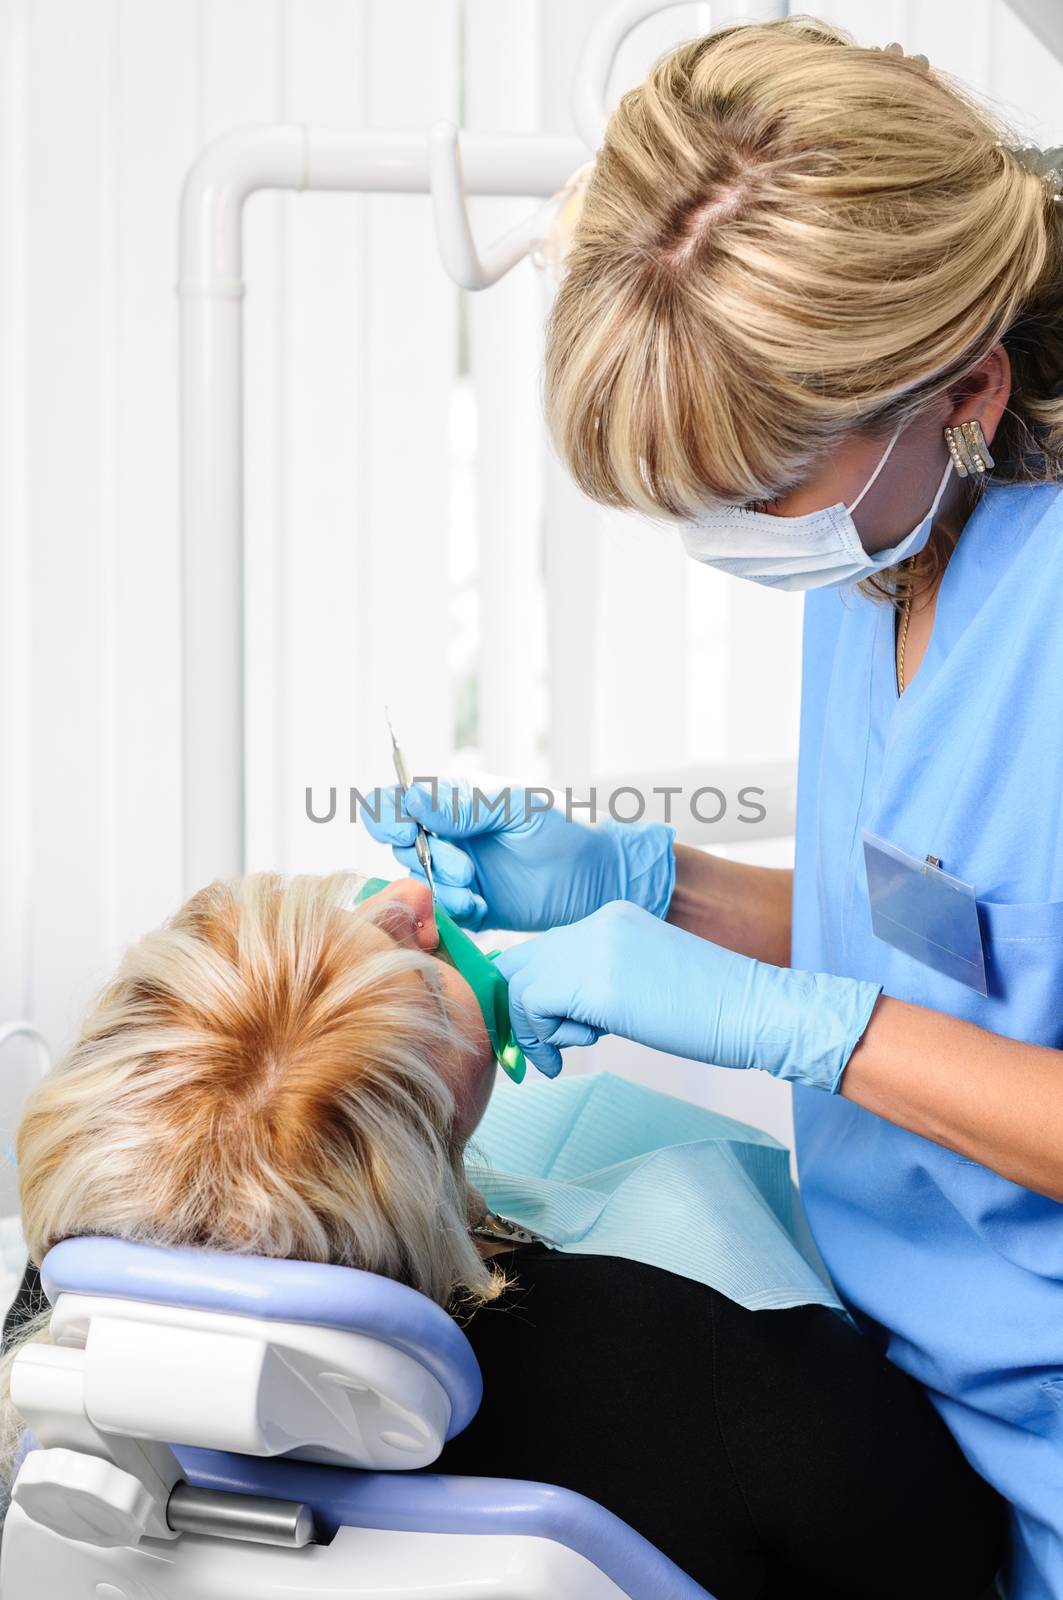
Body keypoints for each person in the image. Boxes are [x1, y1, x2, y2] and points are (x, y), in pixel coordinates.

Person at [363, 17, 1063, 1600]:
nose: (727, 537)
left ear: (960, 389)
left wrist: (789, 1027)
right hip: (904, 1378)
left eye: (751, 493)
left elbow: (875, 1000)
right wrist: (641, 880)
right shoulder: (884, 534)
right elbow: (939, 928)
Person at [1, 870, 1002, 1598]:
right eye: (411, 977)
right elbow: (955, 1550)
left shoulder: (55, 1331)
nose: (411, 907)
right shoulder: (697, 1367)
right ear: (440, 1128)